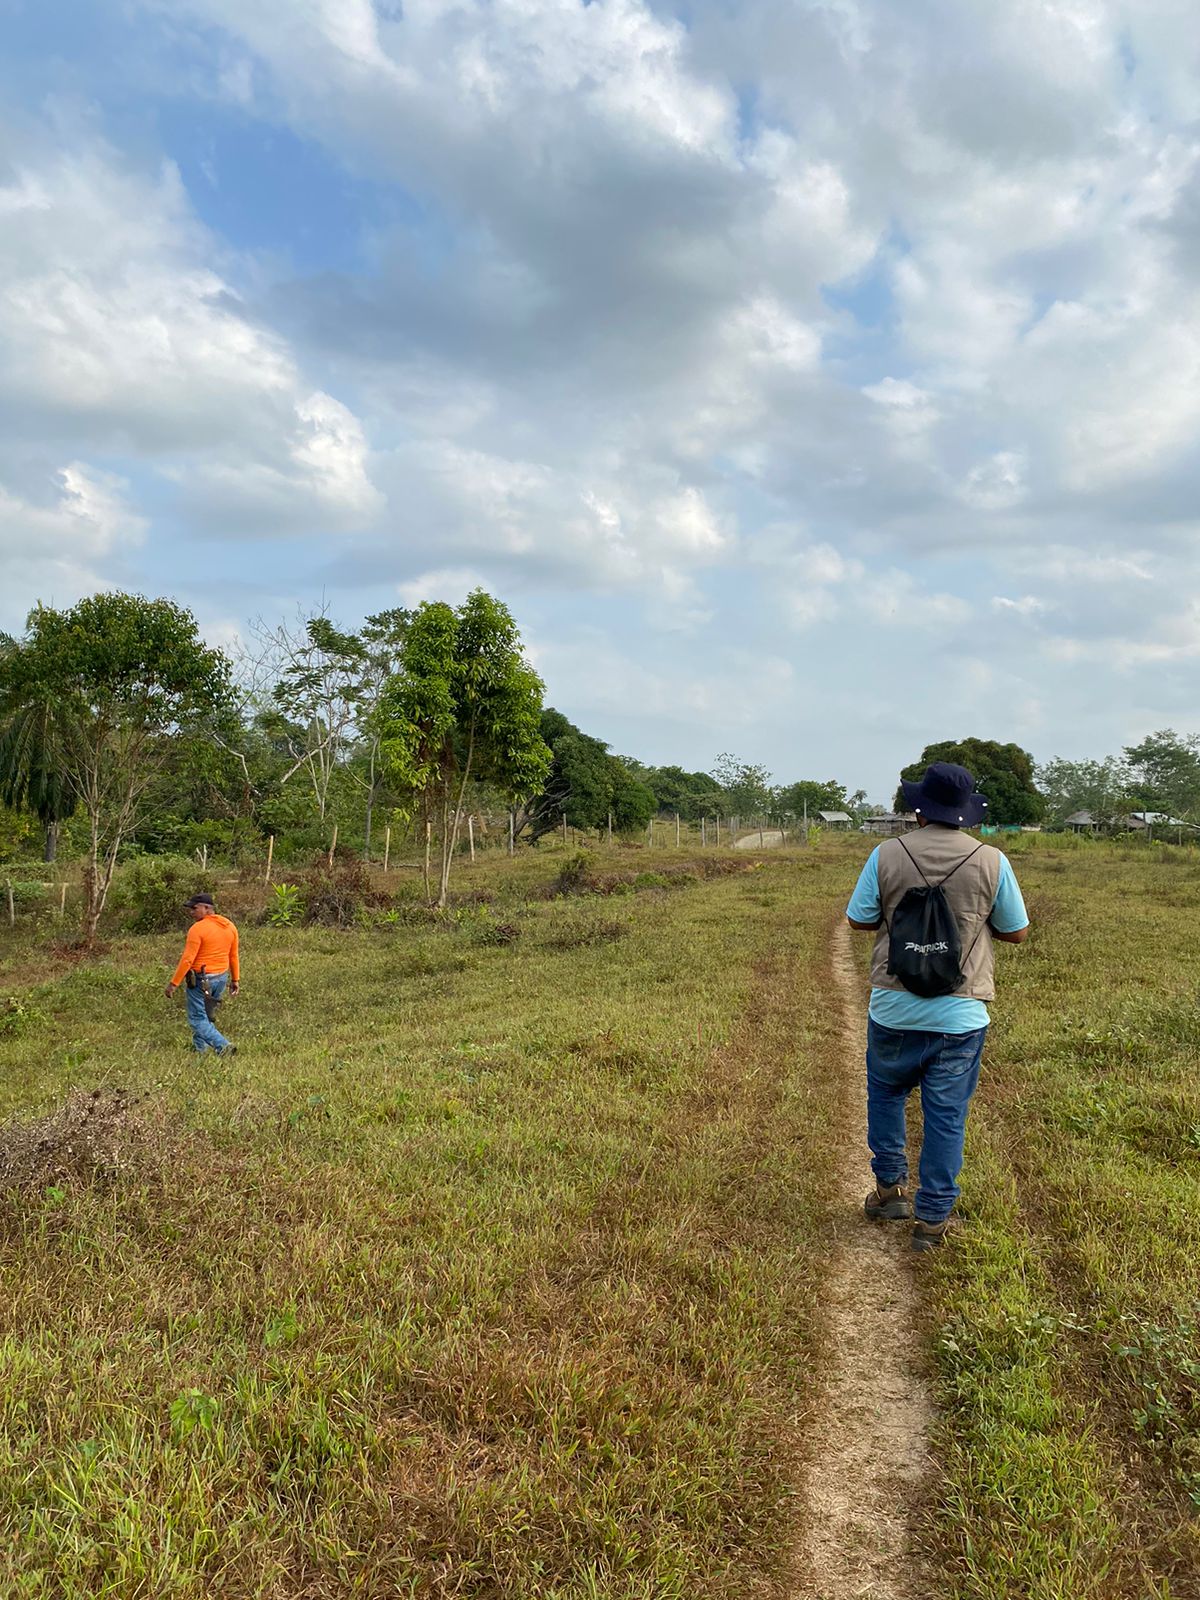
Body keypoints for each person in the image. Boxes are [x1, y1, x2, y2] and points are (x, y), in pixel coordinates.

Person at [845, 762, 1029, 1250]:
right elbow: (1016, 931)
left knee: (886, 1095)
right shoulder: (992, 860)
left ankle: (889, 1191)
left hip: (893, 1008)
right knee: (946, 1114)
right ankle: (932, 1219)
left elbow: (858, 921)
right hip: (960, 1014)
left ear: (920, 808)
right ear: (965, 812)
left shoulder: (886, 853)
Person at [165, 892, 240, 1057]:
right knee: (206, 1016)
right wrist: (235, 979)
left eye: (194, 908)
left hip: (201, 980)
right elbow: (233, 956)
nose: (191, 911)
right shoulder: (229, 926)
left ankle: (223, 1046)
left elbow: (187, 960)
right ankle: (200, 1051)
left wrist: (173, 984)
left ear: (207, 908)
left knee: (197, 1019)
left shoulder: (197, 929)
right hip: (221, 977)